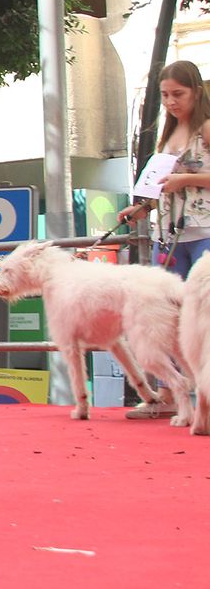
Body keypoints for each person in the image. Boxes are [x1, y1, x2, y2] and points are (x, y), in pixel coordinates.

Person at [118, 60, 210, 418]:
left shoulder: (205, 128)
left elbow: (183, 180)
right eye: (166, 95)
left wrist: (185, 181)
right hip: (169, 233)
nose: (171, 102)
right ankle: (172, 393)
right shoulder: (168, 134)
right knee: (165, 315)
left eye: (178, 94)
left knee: (202, 314)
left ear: (197, 92)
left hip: (203, 230)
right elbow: (161, 185)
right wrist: (141, 208)